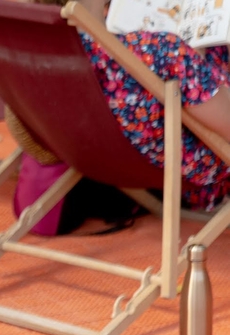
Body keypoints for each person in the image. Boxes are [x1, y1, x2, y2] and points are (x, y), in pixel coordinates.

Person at [57, 0, 230, 209]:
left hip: (110, 160)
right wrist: (192, 63)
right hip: (197, 171)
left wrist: (196, 63)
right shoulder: (163, 51)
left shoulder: (42, 48)